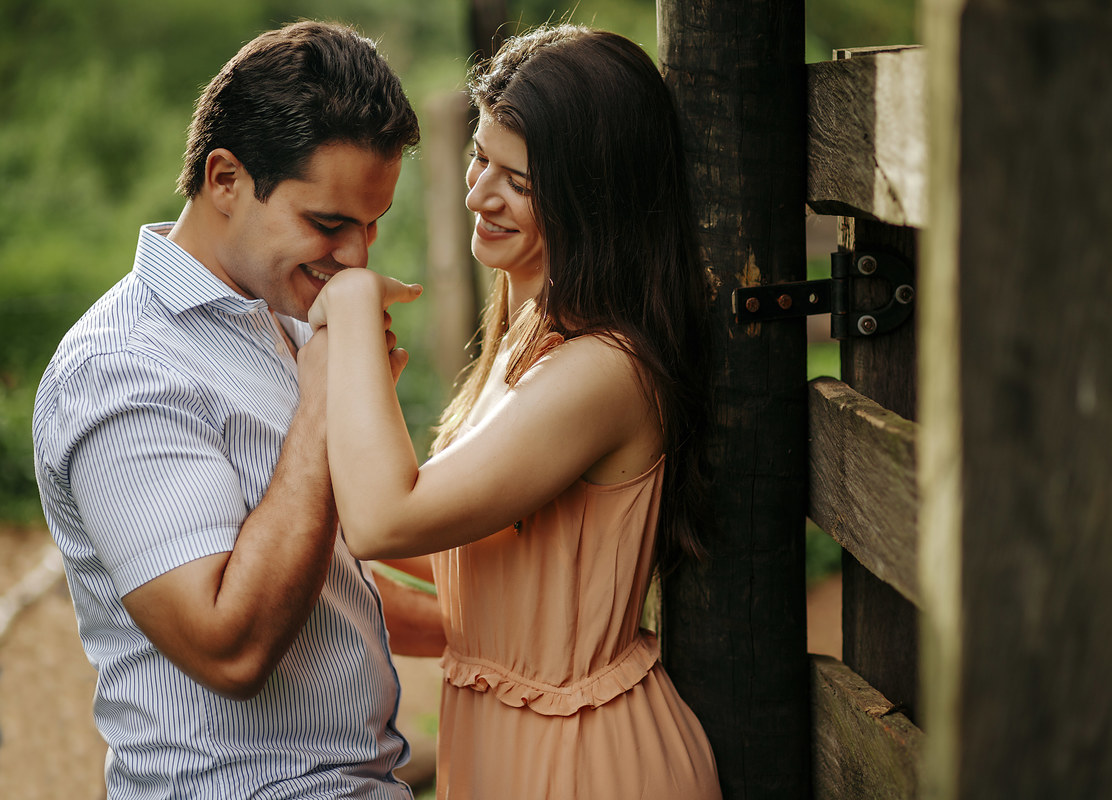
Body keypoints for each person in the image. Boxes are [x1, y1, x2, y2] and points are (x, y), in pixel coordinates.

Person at [309, 22, 722, 799]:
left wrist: (354, 302)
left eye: (518, 183)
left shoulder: (603, 369)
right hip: (511, 742)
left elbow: (386, 519)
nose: (477, 195)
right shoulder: (531, 329)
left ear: (594, 196)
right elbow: (476, 549)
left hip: (585, 763)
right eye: (479, 157)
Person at [32, 20, 437, 799]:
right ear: (224, 178)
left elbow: (323, 586)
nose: (357, 257)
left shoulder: (282, 315)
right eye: (328, 224)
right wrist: (325, 403)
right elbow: (231, 646)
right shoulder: (120, 372)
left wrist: (493, 636)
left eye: (372, 224)